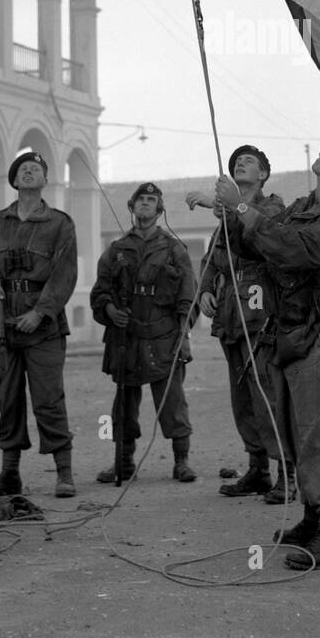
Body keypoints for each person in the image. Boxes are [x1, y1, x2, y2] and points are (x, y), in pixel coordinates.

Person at [215, 126, 320, 570]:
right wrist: (232, 212)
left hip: (319, 332)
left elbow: (295, 250)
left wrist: (243, 206)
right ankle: (311, 514)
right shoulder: (305, 205)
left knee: (317, 433)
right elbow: (258, 241)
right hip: (287, 328)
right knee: (290, 427)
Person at [187, 146, 295, 502]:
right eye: (236, 162)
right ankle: (258, 468)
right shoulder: (227, 214)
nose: (240, 163)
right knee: (243, 397)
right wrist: (204, 289)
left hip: (260, 312)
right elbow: (215, 257)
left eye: (249, 161)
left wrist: (232, 205)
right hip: (231, 313)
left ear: (263, 174)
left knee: (268, 394)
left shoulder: (273, 206)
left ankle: (287, 473)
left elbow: (264, 240)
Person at [0, 149, 78, 498]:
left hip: (42, 327)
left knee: (49, 398)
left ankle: (64, 472)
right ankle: (10, 473)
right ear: (14, 181)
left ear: (45, 180)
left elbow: (64, 275)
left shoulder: (60, 224)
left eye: (36, 169)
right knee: (8, 399)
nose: (29, 172)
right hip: (3, 326)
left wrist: (40, 312)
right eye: (23, 169)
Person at [91, 183, 198, 483]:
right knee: (123, 404)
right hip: (126, 338)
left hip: (164, 335)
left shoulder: (174, 248)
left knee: (173, 401)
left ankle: (181, 461)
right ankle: (123, 462)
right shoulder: (116, 250)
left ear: (160, 210)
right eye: (141, 200)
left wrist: (183, 335)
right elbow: (100, 292)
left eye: (152, 201)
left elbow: (188, 296)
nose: (146, 205)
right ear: (132, 206)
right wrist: (111, 310)